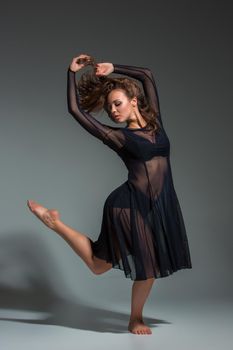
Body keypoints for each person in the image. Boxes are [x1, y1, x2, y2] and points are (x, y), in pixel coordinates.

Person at [27, 53, 192, 335]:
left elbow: (147, 74)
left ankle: (54, 223)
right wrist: (71, 73)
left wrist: (114, 68)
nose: (113, 111)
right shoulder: (118, 137)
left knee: (97, 265)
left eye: (117, 103)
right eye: (109, 107)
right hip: (127, 206)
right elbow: (75, 111)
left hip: (158, 205)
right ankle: (135, 319)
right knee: (148, 268)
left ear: (134, 101)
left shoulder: (157, 125)